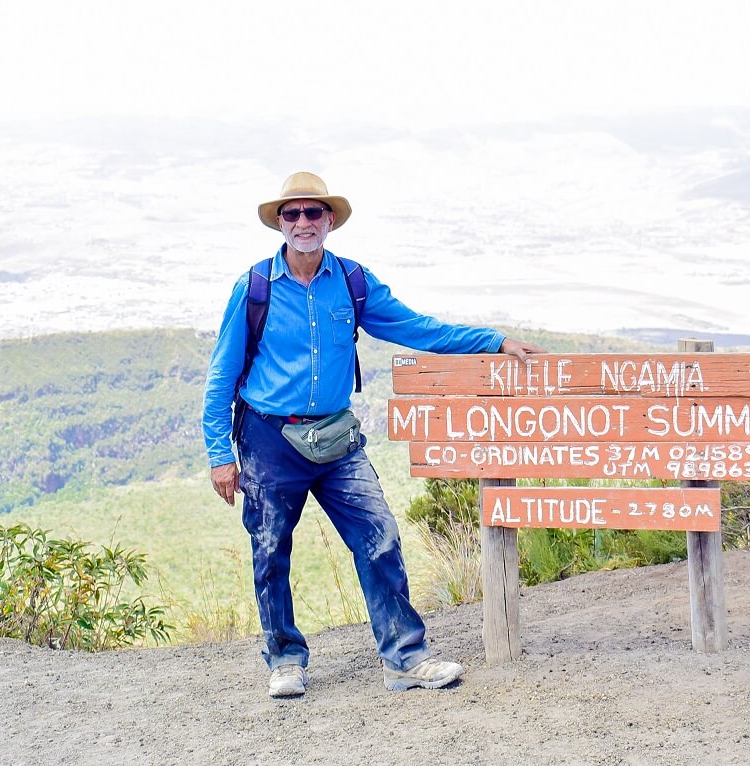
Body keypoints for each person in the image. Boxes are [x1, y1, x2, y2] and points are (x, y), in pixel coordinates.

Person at [202, 171, 543, 698]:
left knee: (379, 535)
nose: (302, 223)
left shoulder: (353, 282)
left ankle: (405, 658)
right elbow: (222, 375)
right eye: (291, 214)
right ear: (280, 224)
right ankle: (285, 659)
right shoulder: (254, 288)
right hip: (268, 438)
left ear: (329, 220)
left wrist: (493, 340)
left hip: (336, 439)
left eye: (312, 213)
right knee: (270, 549)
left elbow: (417, 327)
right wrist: (220, 454)